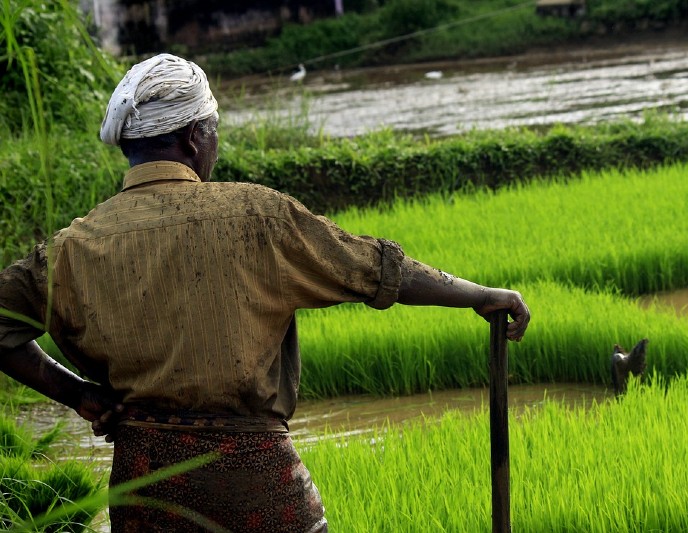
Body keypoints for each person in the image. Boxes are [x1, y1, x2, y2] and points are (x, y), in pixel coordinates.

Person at [0, 53, 530, 532]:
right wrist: (480, 294)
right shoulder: (256, 215)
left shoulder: (72, 246)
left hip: (145, 493)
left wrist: (79, 396)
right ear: (194, 138)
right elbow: (376, 268)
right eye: (213, 131)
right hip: (254, 479)